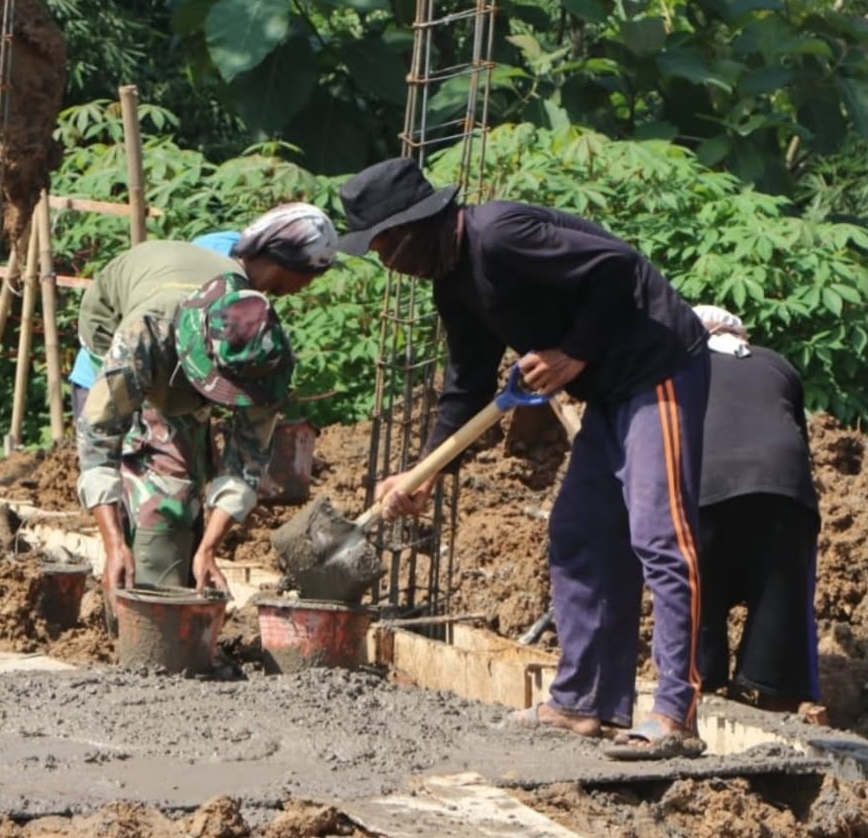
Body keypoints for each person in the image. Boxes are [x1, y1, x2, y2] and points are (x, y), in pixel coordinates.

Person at [338, 157, 710, 760]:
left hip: (657, 366)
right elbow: (466, 386)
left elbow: (619, 266)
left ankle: (675, 716)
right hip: (609, 391)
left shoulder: (500, 235)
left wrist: (573, 353)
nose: (388, 265)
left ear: (416, 226)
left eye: (385, 248)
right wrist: (426, 470)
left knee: (659, 535)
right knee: (579, 533)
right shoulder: (453, 284)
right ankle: (581, 704)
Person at [76, 264, 295, 626]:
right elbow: (97, 439)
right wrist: (113, 543)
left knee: (188, 467)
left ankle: (185, 562)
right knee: (162, 483)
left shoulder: (263, 351)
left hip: (183, 338)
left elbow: (248, 459)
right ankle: (132, 610)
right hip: (111, 318)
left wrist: (210, 548)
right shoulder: (143, 335)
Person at [68, 202, 338, 418]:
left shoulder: (239, 267)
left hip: (174, 383)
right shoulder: (214, 277)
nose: (308, 285)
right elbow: (158, 338)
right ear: (286, 264)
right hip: (114, 369)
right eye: (311, 275)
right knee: (117, 472)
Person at [692, 304, 821, 712]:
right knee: (778, 600)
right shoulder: (776, 364)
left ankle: (700, 693)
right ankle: (775, 700)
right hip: (784, 490)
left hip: (708, 487)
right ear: (741, 336)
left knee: (701, 597)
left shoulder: (683, 365)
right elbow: (796, 437)